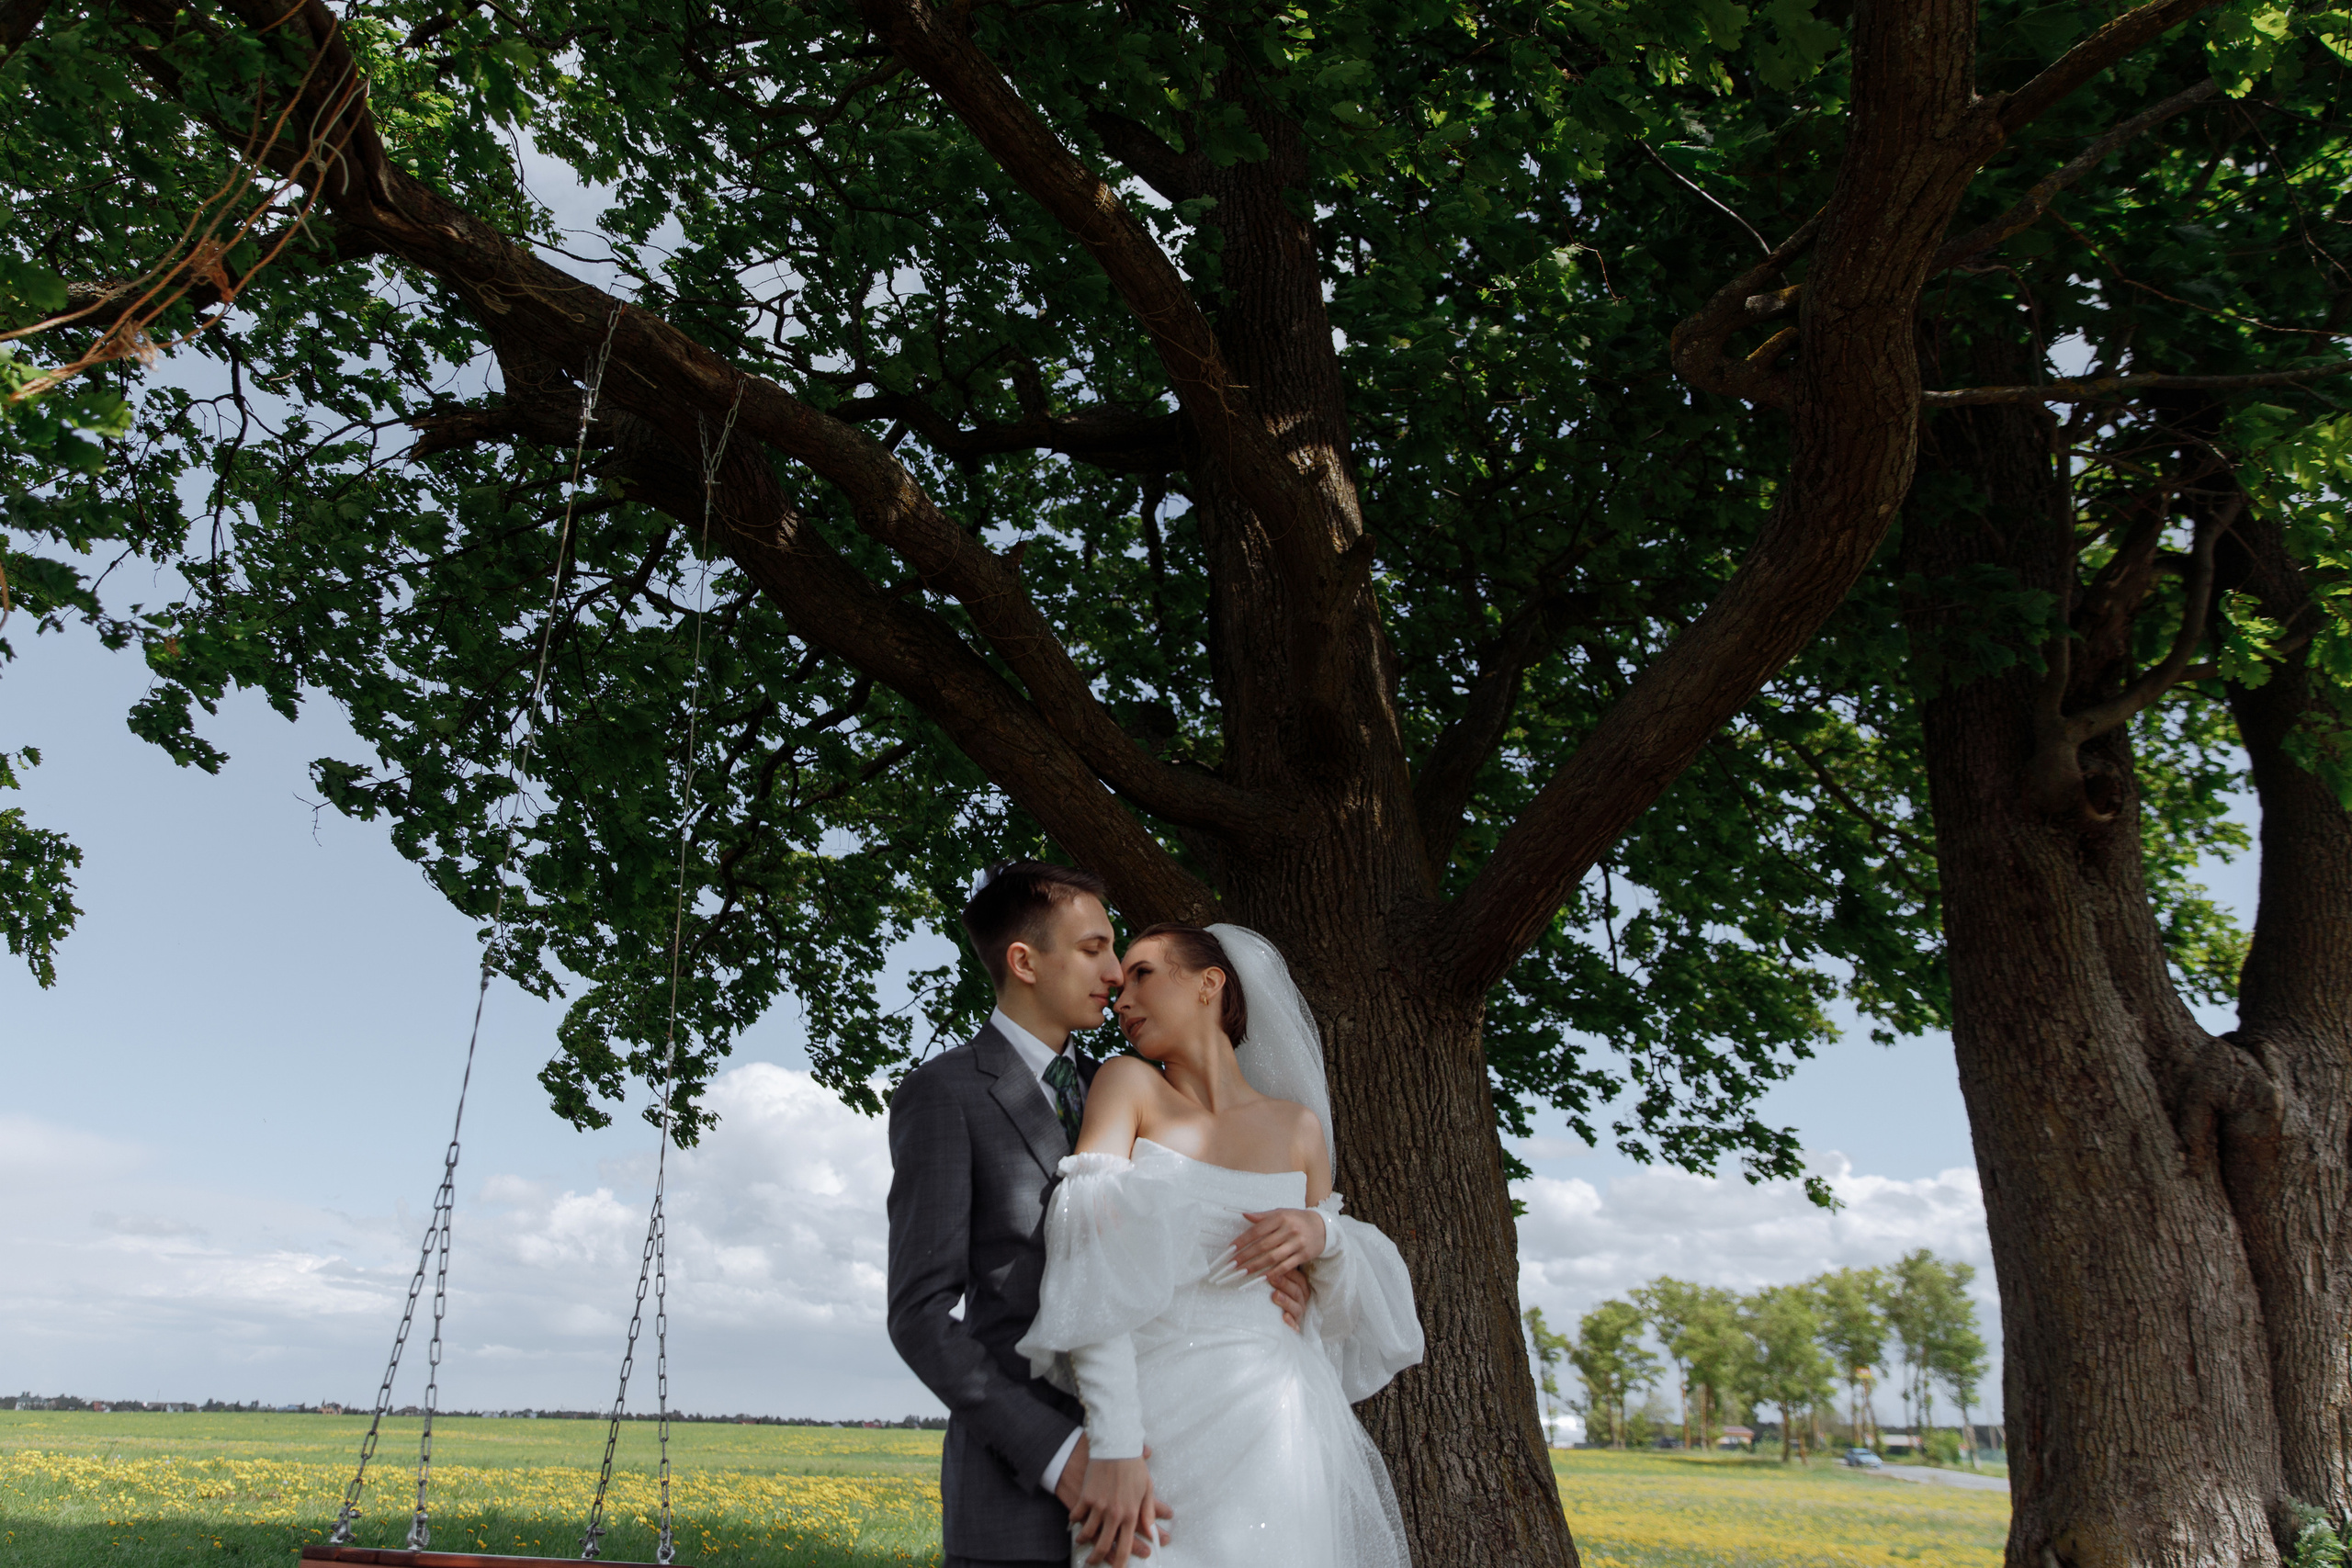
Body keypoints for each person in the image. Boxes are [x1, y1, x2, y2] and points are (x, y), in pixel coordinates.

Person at [886, 864, 1315, 1568]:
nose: (1115, 974)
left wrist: (1295, 1276)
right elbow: (919, 1315)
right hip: (1017, 1499)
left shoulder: (1139, 1087)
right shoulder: (945, 1093)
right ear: (1024, 961)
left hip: (1173, 1477)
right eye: (1094, 949)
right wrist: (1065, 1455)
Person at [1015, 923, 1424, 1568]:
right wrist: (1116, 1445)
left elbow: (1334, 1320)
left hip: (1281, 1429)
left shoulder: (1300, 1130)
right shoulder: (1128, 1087)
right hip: (1155, 1424)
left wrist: (1324, 1237)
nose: (1121, 1002)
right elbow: (1091, 1269)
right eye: (1119, 989)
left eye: (1143, 974)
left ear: (1209, 983)